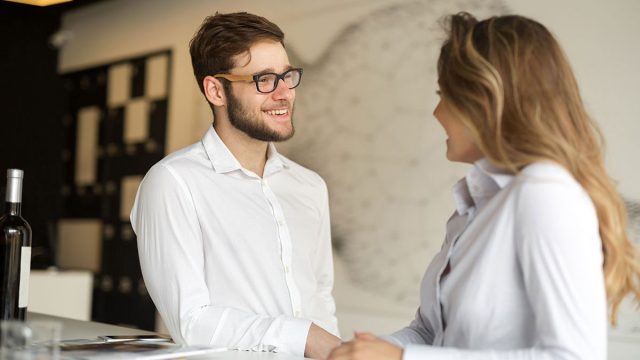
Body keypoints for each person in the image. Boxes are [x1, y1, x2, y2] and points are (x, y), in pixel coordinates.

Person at [328, 12, 640, 360]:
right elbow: (432, 333)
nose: (437, 112)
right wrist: (363, 350)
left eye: (444, 94)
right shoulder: (474, 208)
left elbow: (571, 356)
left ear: (485, 101)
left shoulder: (544, 195)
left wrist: (400, 358)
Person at [130, 12, 340, 359]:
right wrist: (303, 337)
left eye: (287, 76)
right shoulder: (173, 183)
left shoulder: (310, 186)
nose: (285, 93)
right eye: (264, 79)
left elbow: (321, 297)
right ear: (216, 90)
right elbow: (190, 321)